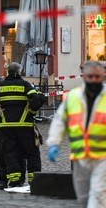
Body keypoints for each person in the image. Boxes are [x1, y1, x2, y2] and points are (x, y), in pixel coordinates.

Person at [47, 61, 106, 208]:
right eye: (90, 76)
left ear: (103, 76)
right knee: (83, 197)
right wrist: (54, 143)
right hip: (80, 156)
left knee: (98, 194)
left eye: (97, 76)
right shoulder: (72, 97)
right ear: (84, 76)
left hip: (102, 157)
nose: (93, 79)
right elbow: (60, 121)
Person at [0, 62, 45, 189]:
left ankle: (15, 181)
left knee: (9, 153)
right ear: (19, 72)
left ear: (7, 72)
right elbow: (36, 99)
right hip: (25, 125)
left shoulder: (0, 86)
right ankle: (35, 180)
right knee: (31, 153)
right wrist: (31, 113)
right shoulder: (25, 85)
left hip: (6, 126)